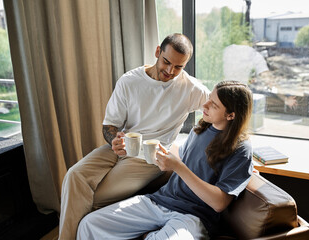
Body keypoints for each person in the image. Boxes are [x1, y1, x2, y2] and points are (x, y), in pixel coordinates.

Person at [58, 33, 210, 240]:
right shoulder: (130, 81)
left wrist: (237, 147)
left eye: (178, 67)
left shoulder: (192, 89)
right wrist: (113, 140)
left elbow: (221, 111)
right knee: (74, 176)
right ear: (158, 52)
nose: (170, 71)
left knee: (96, 198)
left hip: (149, 157)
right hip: (121, 147)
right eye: (166, 62)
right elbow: (109, 125)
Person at [77, 81, 254, 240]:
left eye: (213, 105)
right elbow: (182, 157)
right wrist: (143, 149)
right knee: (90, 224)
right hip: (159, 201)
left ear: (231, 115)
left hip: (193, 216)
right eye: (208, 99)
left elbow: (219, 203)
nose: (205, 105)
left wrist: (178, 167)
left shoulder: (241, 150)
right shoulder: (201, 129)